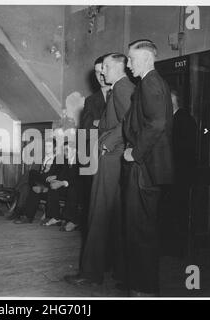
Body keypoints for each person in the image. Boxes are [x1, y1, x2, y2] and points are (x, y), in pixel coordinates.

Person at [66, 53, 135, 286]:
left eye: (105, 67)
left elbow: (129, 122)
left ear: (117, 67)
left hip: (110, 159)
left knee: (97, 215)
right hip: (113, 159)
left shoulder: (123, 87)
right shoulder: (121, 88)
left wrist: (106, 142)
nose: (102, 73)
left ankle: (90, 273)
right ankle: (121, 272)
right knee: (113, 217)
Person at [123, 39, 174, 296]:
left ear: (144, 59)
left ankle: (143, 289)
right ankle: (143, 287)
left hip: (145, 168)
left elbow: (157, 123)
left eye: (131, 59)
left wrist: (136, 152)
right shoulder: (150, 82)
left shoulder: (150, 82)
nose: (128, 64)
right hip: (149, 168)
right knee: (142, 228)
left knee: (141, 230)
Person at [161, 90, 197, 257]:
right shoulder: (177, 118)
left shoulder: (183, 119)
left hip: (180, 174)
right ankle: (172, 247)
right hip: (175, 173)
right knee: (173, 211)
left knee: (178, 211)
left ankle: (177, 249)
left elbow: (182, 149)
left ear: (173, 103)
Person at [79, 55, 111, 241]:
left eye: (103, 71)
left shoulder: (125, 94)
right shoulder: (91, 100)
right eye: (97, 72)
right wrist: (106, 123)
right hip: (95, 161)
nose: (101, 75)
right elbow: (85, 128)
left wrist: (99, 123)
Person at [14, 138, 59, 224]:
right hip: (40, 182)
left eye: (49, 146)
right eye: (46, 146)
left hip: (49, 182)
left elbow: (57, 175)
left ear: (54, 148)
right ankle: (28, 217)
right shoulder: (42, 158)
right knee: (32, 187)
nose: (47, 148)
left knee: (32, 173)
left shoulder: (57, 159)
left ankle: (15, 191)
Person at [45, 140, 80, 232]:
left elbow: (79, 180)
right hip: (68, 185)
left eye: (67, 150)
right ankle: (56, 217)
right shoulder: (66, 160)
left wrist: (62, 183)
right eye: (64, 150)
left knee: (72, 190)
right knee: (53, 187)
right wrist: (57, 180)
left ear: (75, 150)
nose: (65, 153)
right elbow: (63, 175)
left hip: (80, 189)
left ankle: (73, 221)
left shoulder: (80, 160)